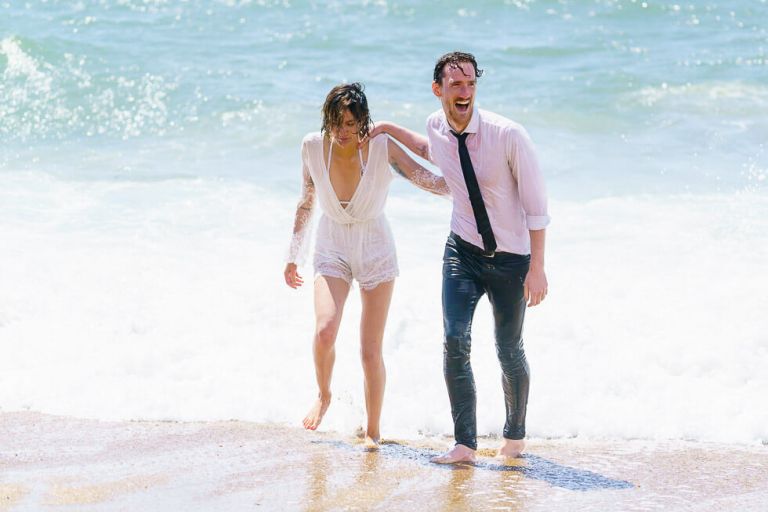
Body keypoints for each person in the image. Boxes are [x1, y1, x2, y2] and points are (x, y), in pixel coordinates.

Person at [370, 52, 550, 463]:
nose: (465, 92)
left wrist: (537, 267)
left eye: (470, 83)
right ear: (439, 91)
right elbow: (431, 149)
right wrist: (388, 129)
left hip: (511, 260)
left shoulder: (509, 135)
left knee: (508, 348)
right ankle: (465, 444)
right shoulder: (437, 126)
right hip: (462, 252)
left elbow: (537, 206)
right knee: (454, 340)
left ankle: (515, 435)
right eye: (456, 85)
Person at [283, 83, 450, 449]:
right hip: (332, 244)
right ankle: (324, 394)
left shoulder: (381, 148)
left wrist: (473, 187)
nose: (343, 132)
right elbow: (306, 201)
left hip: (375, 247)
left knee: (369, 350)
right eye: (336, 123)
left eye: (351, 123)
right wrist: (293, 255)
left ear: (364, 122)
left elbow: (430, 181)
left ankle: (373, 431)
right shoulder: (313, 147)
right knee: (325, 331)